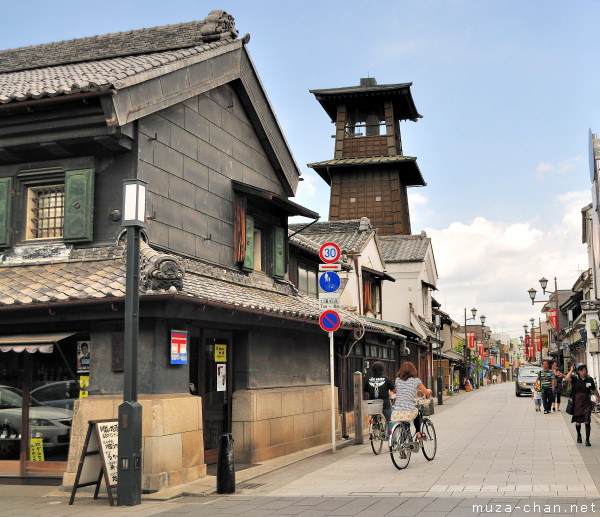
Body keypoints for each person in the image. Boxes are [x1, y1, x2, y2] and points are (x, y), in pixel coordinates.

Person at [392, 361, 432, 440]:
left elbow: (396, 389)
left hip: (396, 411)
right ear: (413, 370)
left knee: (405, 421)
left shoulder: (397, 380)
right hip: (409, 410)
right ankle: (418, 433)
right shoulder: (416, 380)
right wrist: (430, 390)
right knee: (417, 412)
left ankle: (405, 438)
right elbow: (426, 392)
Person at [566, 363, 600, 446]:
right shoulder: (575, 379)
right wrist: (571, 370)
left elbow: (594, 390)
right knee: (578, 422)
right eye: (581, 371)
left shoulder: (589, 379)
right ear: (578, 371)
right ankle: (579, 435)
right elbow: (567, 378)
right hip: (577, 403)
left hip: (586, 402)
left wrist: (599, 397)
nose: (583, 372)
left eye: (585, 370)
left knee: (587, 421)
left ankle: (587, 440)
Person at [363, 361, 396, 431]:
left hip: (372, 405)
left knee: (374, 415)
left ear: (372, 370)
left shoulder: (368, 380)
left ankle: (375, 425)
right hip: (385, 404)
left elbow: (365, 390)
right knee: (391, 419)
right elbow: (394, 390)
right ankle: (393, 439)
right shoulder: (386, 379)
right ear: (382, 370)